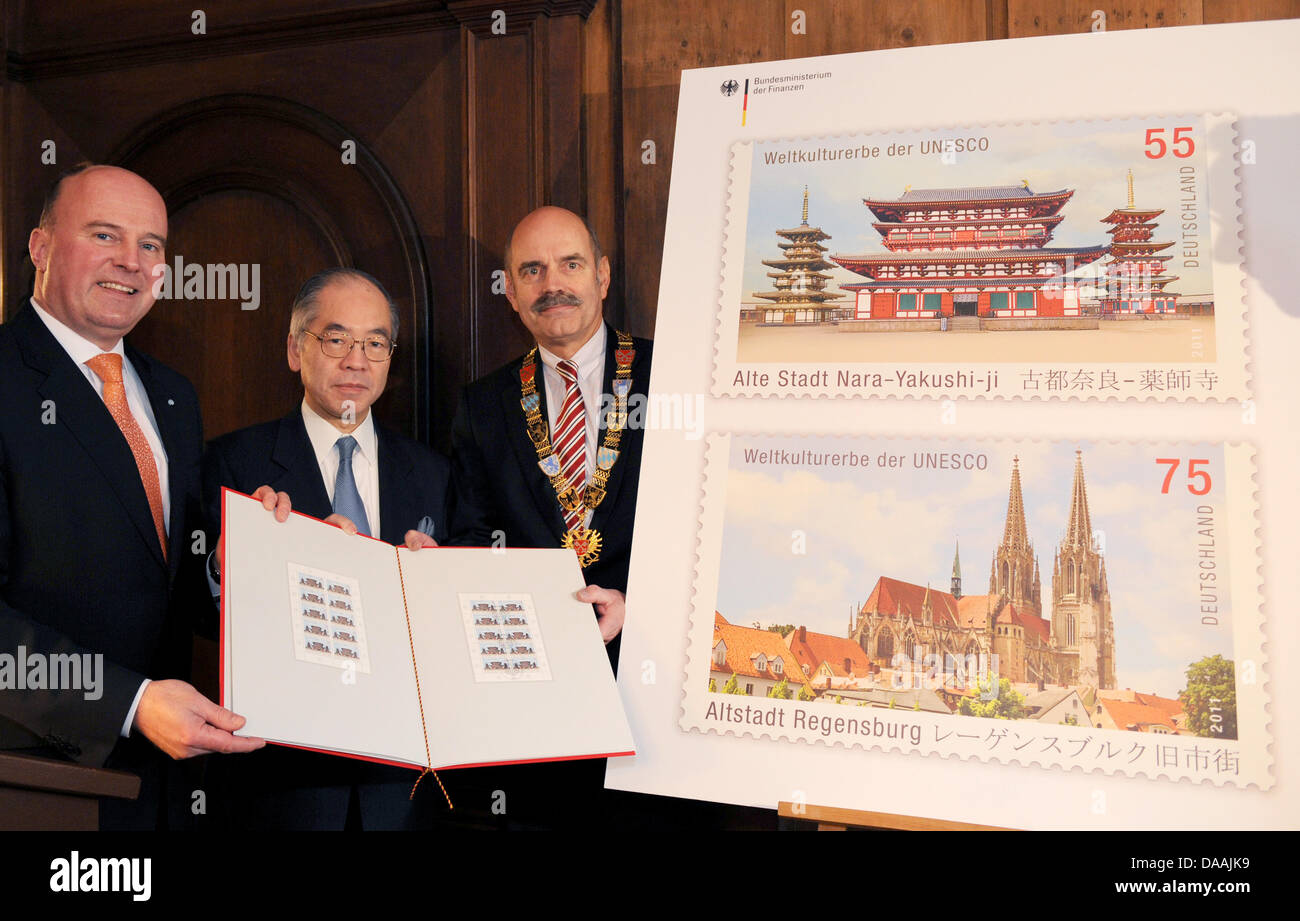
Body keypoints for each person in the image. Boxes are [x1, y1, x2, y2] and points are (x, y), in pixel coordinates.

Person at [0, 164, 290, 829]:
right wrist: (127, 703)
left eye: (152, 245)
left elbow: (168, 579)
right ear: (41, 248)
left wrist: (230, 564)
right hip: (33, 779)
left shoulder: (172, 395)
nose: (131, 262)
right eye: (105, 234)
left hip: (165, 781)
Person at [202, 267, 452, 829]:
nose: (356, 360)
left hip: (404, 785)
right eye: (336, 339)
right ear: (295, 350)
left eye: (375, 343)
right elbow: (193, 618)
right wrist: (227, 564)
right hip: (281, 783)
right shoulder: (234, 465)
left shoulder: (434, 474)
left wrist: (434, 589)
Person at [440, 205, 651, 827]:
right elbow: (473, 539)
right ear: (508, 292)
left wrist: (639, 605)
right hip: (532, 710)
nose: (551, 283)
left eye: (570, 264)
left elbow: (717, 529)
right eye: (531, 270)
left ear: (603, 276)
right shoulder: (482, 405)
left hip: (654, 692)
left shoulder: (674, 379)